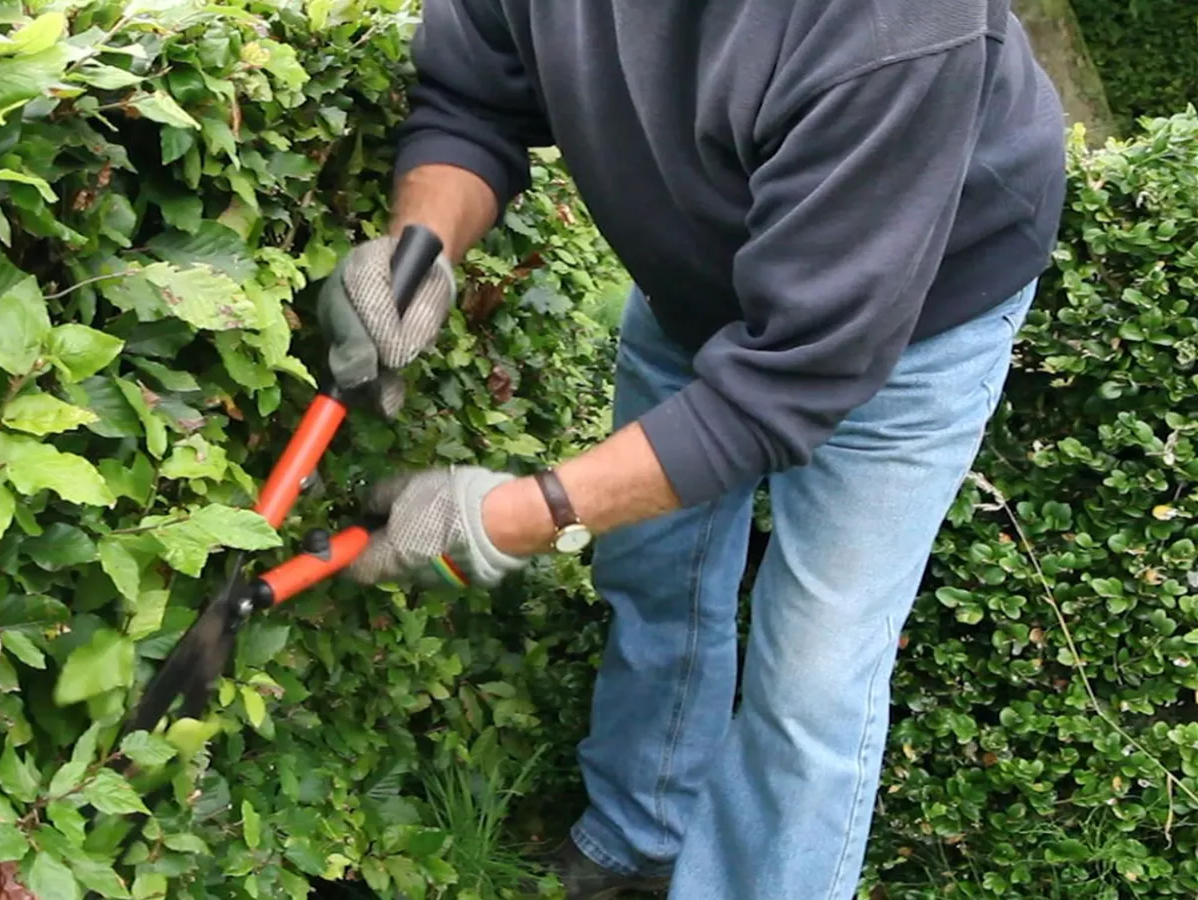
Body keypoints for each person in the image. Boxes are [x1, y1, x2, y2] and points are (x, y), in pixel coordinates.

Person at [314, 0, 1067, 897]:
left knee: (813, 675)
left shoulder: (897, 22)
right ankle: (638, 836)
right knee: (652, 563)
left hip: (911, 316)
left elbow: (789, 381)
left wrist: (511, 517)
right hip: (704, 265)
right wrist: (419, 253)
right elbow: (474, 96)